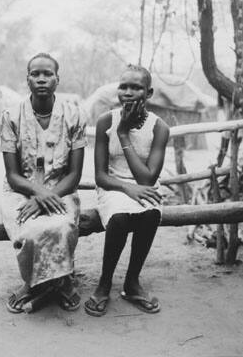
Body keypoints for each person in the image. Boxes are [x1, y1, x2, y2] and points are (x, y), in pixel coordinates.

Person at [0, 53, 87, 313]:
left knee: (63, 224)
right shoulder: (11, 115)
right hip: (20, 191)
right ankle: (32, 283)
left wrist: (49, 196)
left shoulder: (75, 115)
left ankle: (61, 281)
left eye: (47, 74)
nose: (41, 79)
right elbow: (13, 175)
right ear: (27, 79)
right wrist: (38, 195)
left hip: (62, 189)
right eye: (35, 74)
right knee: (28, 230)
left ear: (57, 79)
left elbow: (74, 175)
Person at [85, 64, 169, 316]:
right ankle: (105, 282)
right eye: (124, 86)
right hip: (113, 187)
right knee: (120, 217)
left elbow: (147, 179)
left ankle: (132, 282)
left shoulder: (158, 127)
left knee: (151, 213)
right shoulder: (105, 121)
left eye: (136, 87)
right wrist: (126, 188)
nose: (128, 92)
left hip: (145, 187)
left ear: (149, 92)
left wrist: (124, 135)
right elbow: (101, 176)